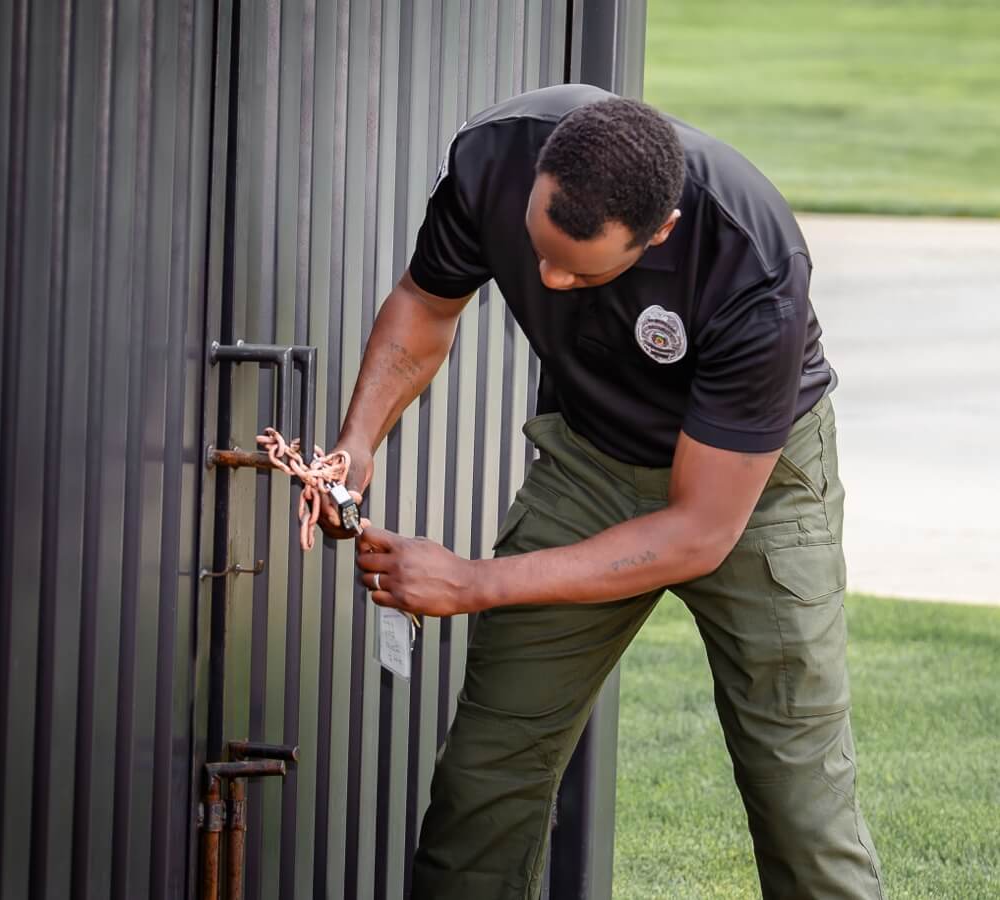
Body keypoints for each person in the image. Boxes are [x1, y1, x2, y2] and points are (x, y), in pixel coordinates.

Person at [320, 84, 887, 900]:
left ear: (660, 233)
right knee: (489, 772)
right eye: (538, 249)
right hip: (591, 460)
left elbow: (696, 532)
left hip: (754, 493)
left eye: (577, 268)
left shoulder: (751, 263)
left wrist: (478, 582)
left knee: (799, 797)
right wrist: (356, 444)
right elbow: (426, 303)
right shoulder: (496, 160)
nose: (546, 281)